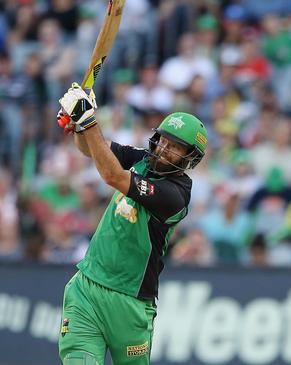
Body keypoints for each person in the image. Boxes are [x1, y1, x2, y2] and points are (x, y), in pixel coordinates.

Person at [56, 83, 208, 364]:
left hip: (131, 303)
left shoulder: (175, 196)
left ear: (190, 159)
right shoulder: (143, 158)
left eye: (175, 147)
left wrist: (89, 120)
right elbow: (92, 148)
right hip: (87, 287)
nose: (163, 149)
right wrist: (78, 122)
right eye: (163, 140)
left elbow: (113, 176)